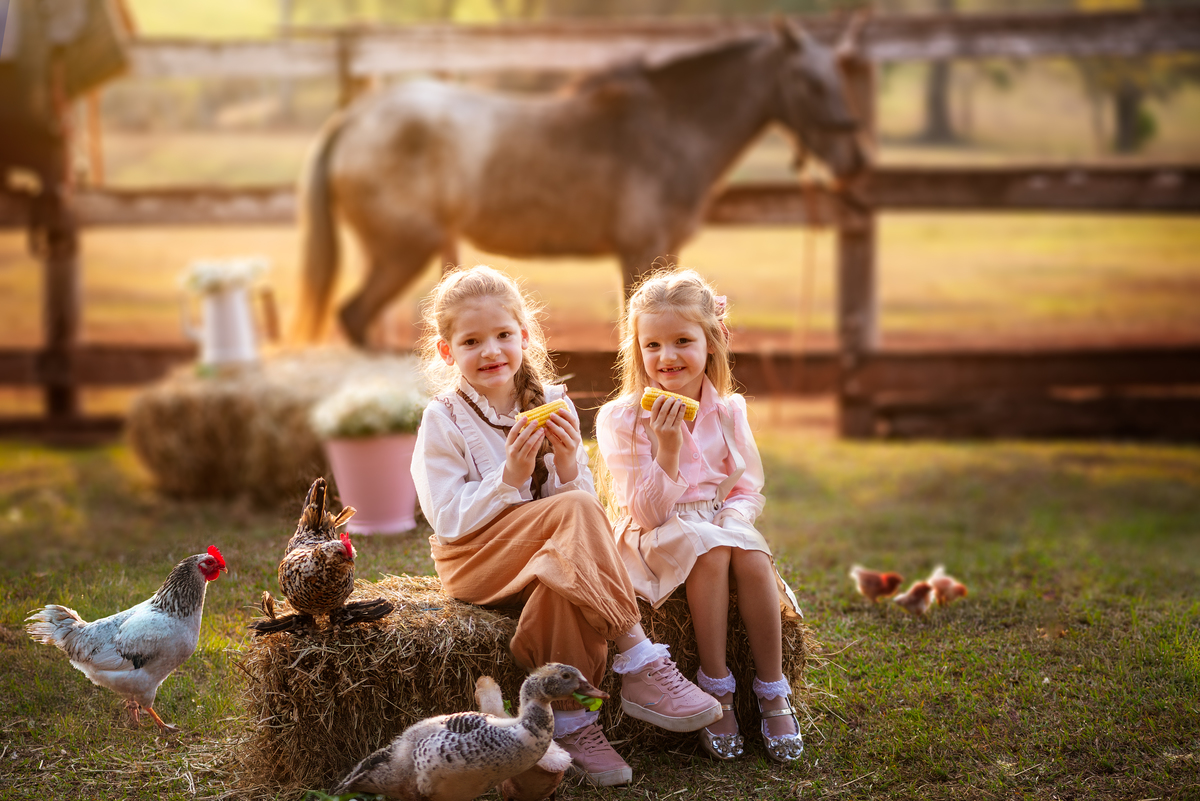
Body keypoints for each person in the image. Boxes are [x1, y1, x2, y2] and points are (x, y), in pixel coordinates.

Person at [410, 265, 722, 787]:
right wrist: (508, 478)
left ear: (525, 338)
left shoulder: (550, 401)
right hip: (475, 561)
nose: (491, 351)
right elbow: (446, 518)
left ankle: (573, 722)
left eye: (504, 335)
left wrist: (572, 463)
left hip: (540, 559)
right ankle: (640, 657)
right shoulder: (443, 417)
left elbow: (578, 516)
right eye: (471, 340)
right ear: (447, 353)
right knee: (576, 514)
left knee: (564, 581)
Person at [595, 268, 804, 764]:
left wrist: (735, 517)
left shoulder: (729, 410)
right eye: (652, 345)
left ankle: (772, 689)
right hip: (657, 533)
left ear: (712, 342)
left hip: (717, 521)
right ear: (637, 348)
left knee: (750, 555)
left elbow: (749, 486)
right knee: (709, 553)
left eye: (682, 341)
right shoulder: (620, 419)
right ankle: (718, 689)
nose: (666, 358)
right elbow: (643, 515)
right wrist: (665, 450)